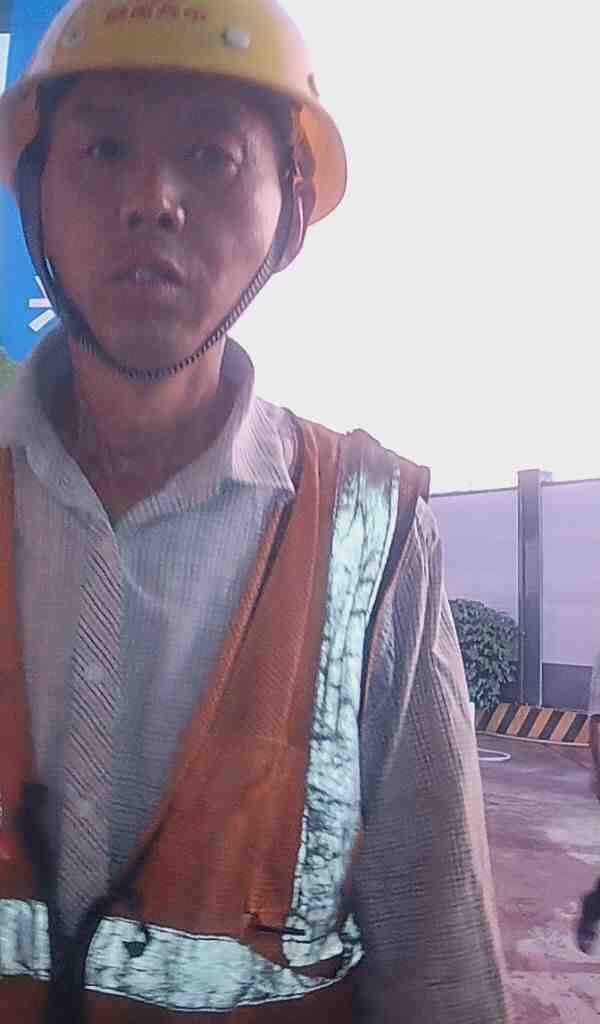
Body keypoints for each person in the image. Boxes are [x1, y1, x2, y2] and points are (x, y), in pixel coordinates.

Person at [0, 1, 511, 1020]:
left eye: (211, 155)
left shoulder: (372, 527)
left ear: (289, 219)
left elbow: (441, 966)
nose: (151, 200)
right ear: (34, 196)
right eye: (103, 148)